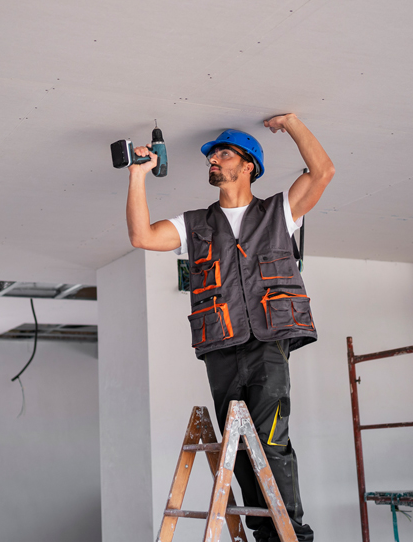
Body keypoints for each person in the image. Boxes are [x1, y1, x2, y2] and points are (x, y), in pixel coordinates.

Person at [126, 113, 334, 542]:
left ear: (248, 165)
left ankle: (291, 536)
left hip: (268, 343)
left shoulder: (279, 212)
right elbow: (142, 237)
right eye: (211, 157)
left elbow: (323, 171)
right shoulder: (195, 224)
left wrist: (293, 123)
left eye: (222, 154)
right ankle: (264, 534)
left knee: (271, 442)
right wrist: (137, 176)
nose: (213, 162)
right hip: (221, 347)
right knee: (238, 450)